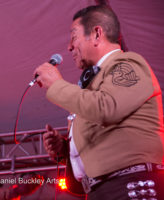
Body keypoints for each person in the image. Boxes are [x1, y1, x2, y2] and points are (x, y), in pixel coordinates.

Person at [34, 5, 164, 200]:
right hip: (101, 191)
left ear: (96, 33)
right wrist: (66, 150)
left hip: (131, 186)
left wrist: (57, 85)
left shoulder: (129, 64)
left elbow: (105, 108)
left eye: (74, 36)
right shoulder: (94, 83)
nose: (69, 46)